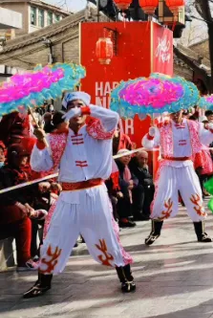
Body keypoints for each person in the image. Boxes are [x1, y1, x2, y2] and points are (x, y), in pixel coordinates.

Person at [24, 91, 135, 298]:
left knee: (107, 236)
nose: (76, 109)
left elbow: (113, 117)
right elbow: (40, 165)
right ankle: (43, 281)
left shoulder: (99, 130)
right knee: (54, 237)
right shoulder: (56, 138)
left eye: (81, 105)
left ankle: (125, 275)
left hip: (96, 194)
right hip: (68, 196)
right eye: (72, 106)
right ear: (65, 111)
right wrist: (39, 142)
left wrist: (85, 108)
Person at [142, 109, 213, 245]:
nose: (175, 114)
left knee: (195, 195)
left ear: (183, 110)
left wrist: (212, 128)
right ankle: (155, 232)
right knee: (162, 197)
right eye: (172, 112)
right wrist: (150, 134)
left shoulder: (194, 125)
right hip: (168, 166)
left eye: (177, 111)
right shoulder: (162, 126)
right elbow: (148, 145)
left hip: (187, 165)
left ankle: (201, 233)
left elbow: (207, 138)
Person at [0, 144, 47, 271]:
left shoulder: (22, 172)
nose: (25, 159)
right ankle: (25, 259)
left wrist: (41, 189)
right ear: (13, 157)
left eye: (26, 156)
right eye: (22, 157)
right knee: (24, 217)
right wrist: (21, 205)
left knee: (48, 215)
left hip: (23, 206)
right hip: (6, 209)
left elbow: (25, 191)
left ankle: (37, 253)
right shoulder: (4, 172)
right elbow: (7, 194)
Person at [129, 150, 154, 221]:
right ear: (137, 158)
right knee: (141, 188)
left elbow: (149, 178)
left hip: (142, 184)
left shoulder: (145, 166)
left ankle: (147, 211)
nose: (143, 161)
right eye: (141, 158)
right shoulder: (132, 165)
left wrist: (148, 181)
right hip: (134, 185)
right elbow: (139, 177)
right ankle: (138, 213)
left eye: (145, 159)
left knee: (151, 187)